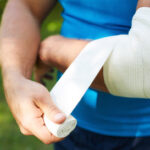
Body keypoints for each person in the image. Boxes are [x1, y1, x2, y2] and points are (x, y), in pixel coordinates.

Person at [1, 0, 150, 149]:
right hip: (67, 118)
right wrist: (14, 78)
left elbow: (142, 64)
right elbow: (26, 6)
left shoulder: (51, 51)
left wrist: (51, 50)